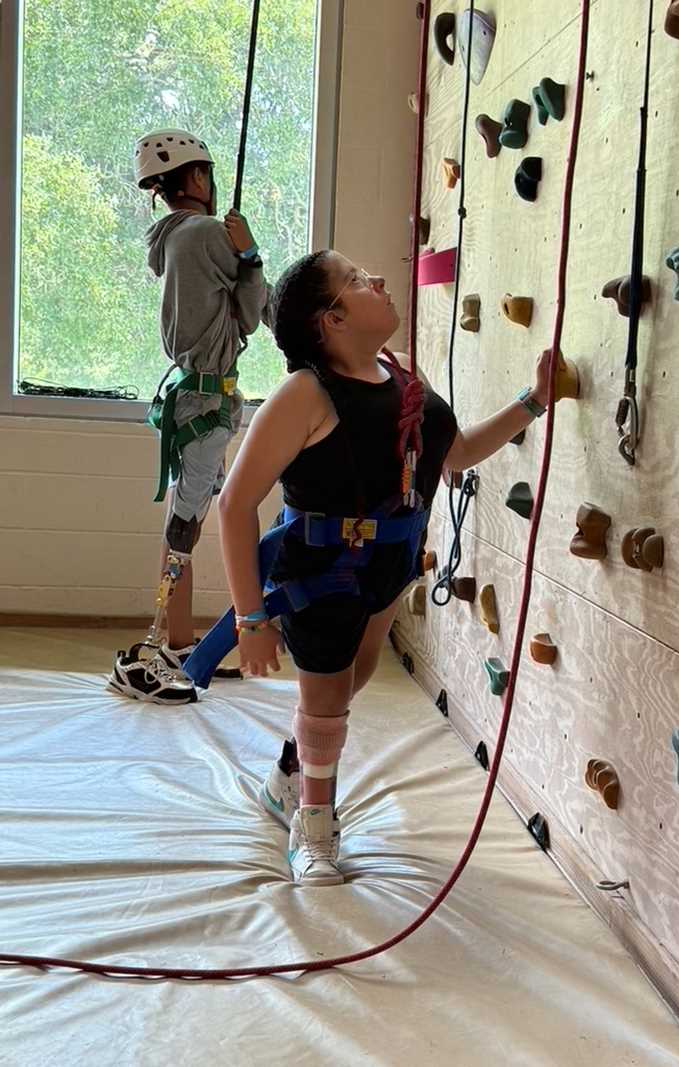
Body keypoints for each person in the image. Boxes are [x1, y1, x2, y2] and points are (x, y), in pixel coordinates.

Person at [217, 249, 555, 886]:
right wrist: (250, 619)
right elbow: (235, 505)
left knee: (353, 678)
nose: (375, 279)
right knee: (325, 697)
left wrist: (533, 402)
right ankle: (314, 825)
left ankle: (290, 773)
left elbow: (456, 455)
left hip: (389, 565)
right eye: (354, 280)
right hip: (322, 574)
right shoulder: (304, 395)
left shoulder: (403, 376)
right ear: (332, 319)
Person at [109, 129, 271, 704]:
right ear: (198, 178)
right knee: (186, 524)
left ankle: (177, 643)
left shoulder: (175, 238)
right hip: (206, 402)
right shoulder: (204, 234)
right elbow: (251, 313)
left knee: (189, 518)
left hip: (196, 399)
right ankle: (154, 650)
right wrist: (250, 253)